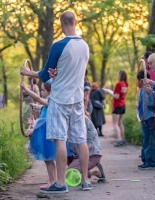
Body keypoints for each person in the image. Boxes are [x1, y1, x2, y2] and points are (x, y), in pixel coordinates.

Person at [20, 11, 92, 193]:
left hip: (59, 99)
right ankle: (85, 180)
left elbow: (44, 74)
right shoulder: (84, 46)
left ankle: (60, 183)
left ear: (61, 24)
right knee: (80, 139)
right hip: (77, 99)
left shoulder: (59, 45)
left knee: (60, 140)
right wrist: (57, 72)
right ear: (75, 22)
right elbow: (71, 70)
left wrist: (27, 73)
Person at [21, 81, 57, 189]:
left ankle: (52, 181)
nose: (41, 92)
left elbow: (38, 98)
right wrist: (35, 106)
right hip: (45, 130)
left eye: (43, 90)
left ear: (50, 91)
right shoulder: (50, 100)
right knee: (49, 159)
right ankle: (53, 180)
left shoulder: (52, 99)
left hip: (46, 131)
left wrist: (26, 89)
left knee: (48, 158)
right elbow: (42, 106)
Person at [68, 109, 106, 182]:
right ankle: (79, 171)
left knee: (69, 175)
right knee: (69, 173)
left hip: (91, 154)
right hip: (75, 154)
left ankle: (95, 170)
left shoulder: (80, 118)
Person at [137, 70, 155, 170]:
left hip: (148, 118)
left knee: (149, 140)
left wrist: (149, 93)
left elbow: (150, 104)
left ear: (141, 80)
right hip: (144, 118)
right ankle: (145, 159)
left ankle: (151, 161)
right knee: (145, 139)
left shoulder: (147, 89)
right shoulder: (141, 90)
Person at [104, 70, 128, 147]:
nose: (117, 76)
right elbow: (119, 95)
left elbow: (116, 96)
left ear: (121, 76)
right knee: (120, 123)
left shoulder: (118, 84)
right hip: (123, 104)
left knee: (115, 124)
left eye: (118, 74)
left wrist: (109, 92)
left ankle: (119, 140)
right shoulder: (125, 84)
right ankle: (123, 139)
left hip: (117, 105)